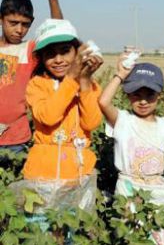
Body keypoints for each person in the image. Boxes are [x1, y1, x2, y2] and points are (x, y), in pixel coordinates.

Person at [99, 60, 164, 244]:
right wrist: (120, 76)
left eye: (150, 95)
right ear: (127, 95)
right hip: (130, 189)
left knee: (159, 236)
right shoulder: (123, 121)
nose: (143, 101)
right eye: (136, 94)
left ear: (160, 96)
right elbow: (103, 101)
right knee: (132, 236)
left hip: (157, 188)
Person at [17, 18, 103, 210]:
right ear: (41, 58)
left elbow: (91, 123)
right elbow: (48, 116)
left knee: (72, 231)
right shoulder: (37, 85)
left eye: (65, 51)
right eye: (50, 54)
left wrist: (85, 82)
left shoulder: (90, 85)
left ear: (77, 52)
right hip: (42, 174)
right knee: (42, 229)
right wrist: (72, 79)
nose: (58, 60)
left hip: (78, 174)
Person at [0, 0, 71, 155]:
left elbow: (59, 31)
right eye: (13, 23)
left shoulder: (29, 50)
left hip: (16, 140)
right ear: (1, 19)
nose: (19, 30)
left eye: (25, 24)